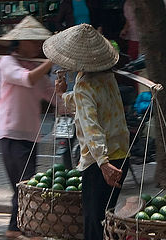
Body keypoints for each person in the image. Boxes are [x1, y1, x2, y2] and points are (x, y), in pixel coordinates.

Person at [43, 24, 130, 240]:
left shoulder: (84, 87)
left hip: (101, 164)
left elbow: (92, 128)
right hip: (122, 156)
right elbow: (88, 104)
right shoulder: (107, 78)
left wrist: (103, 163)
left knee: (94, 221)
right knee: (107, 218)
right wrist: (64, 95)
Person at [0, 16, 55, 239]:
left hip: (31, 135)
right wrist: (50, 63)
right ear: (19, 42)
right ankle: (25, 228)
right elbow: (27, 79)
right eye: (33, 41)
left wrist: (80, 103)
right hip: (11, 133)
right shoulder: (7, 63)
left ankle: (15, 228)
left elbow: (53, 97)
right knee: (24, 186)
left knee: (25, 185)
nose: (37, 46)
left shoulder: (36, 68)